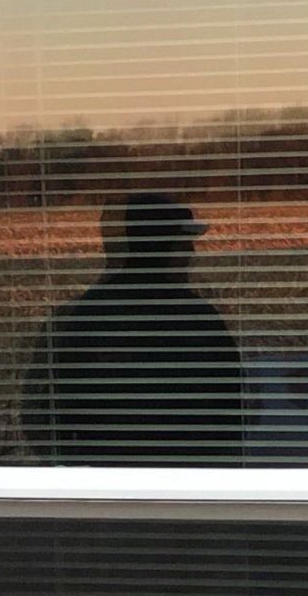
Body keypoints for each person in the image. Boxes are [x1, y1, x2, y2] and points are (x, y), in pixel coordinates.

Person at [20, 193, 244, 465]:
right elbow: (232, 408)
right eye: (184, 243)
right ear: (163, 248)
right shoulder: (197, 320)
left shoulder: (80, 317)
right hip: (183, 481)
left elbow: (43, 415)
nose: (191, 254)